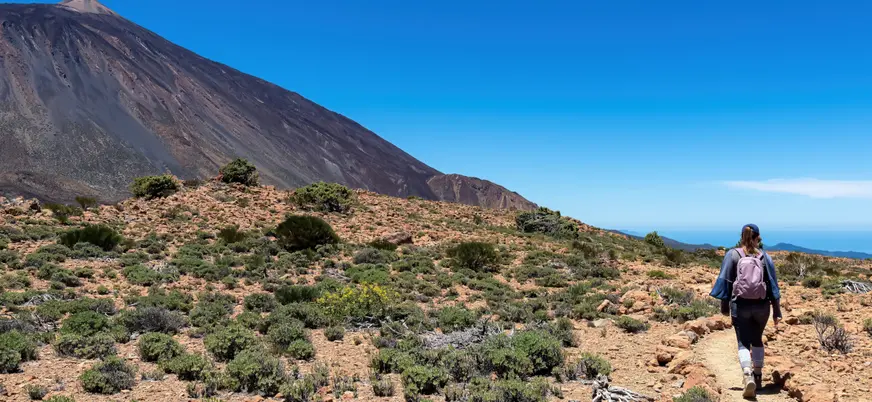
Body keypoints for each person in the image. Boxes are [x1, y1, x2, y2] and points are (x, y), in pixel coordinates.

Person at [709, 223, 782, 399]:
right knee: (757, 339)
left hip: (739, 305)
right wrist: (776, 311)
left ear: (742, 237)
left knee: (742, 342)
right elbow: (773, 286)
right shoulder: (765, 257)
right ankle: (758, 378)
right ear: (757, 238)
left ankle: (747, 374)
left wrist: (724, 306)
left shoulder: (733, 255)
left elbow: (725, 281)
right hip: (762, 306)